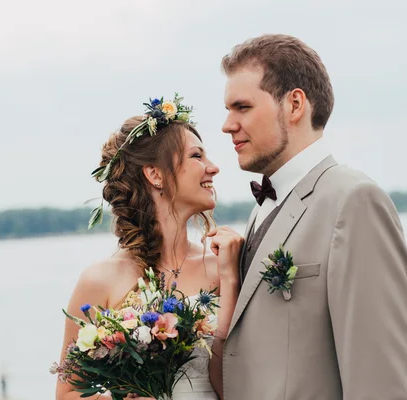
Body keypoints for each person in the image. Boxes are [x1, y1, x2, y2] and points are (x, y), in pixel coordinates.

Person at [220, 34, 407, 400]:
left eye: (242, 107)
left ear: (294, 104)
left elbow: (379, 378)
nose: (227, 124)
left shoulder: (354, 201)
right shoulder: (261, 209)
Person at [55, 96, 243, 400]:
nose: (214, 168)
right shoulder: (99, 281)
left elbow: (234, 384)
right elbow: (68, 393)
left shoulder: (223, 266)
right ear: (155, 174)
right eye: (197, 156)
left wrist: (231, 279)